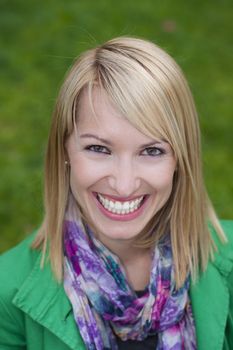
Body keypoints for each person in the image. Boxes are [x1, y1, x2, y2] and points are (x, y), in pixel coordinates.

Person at [0, 36, 232, 350]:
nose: (124, 185)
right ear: (64, 149)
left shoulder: (227, 266)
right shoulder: (7, 291)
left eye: (151, 151)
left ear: (181, 159)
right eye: (98, 149)